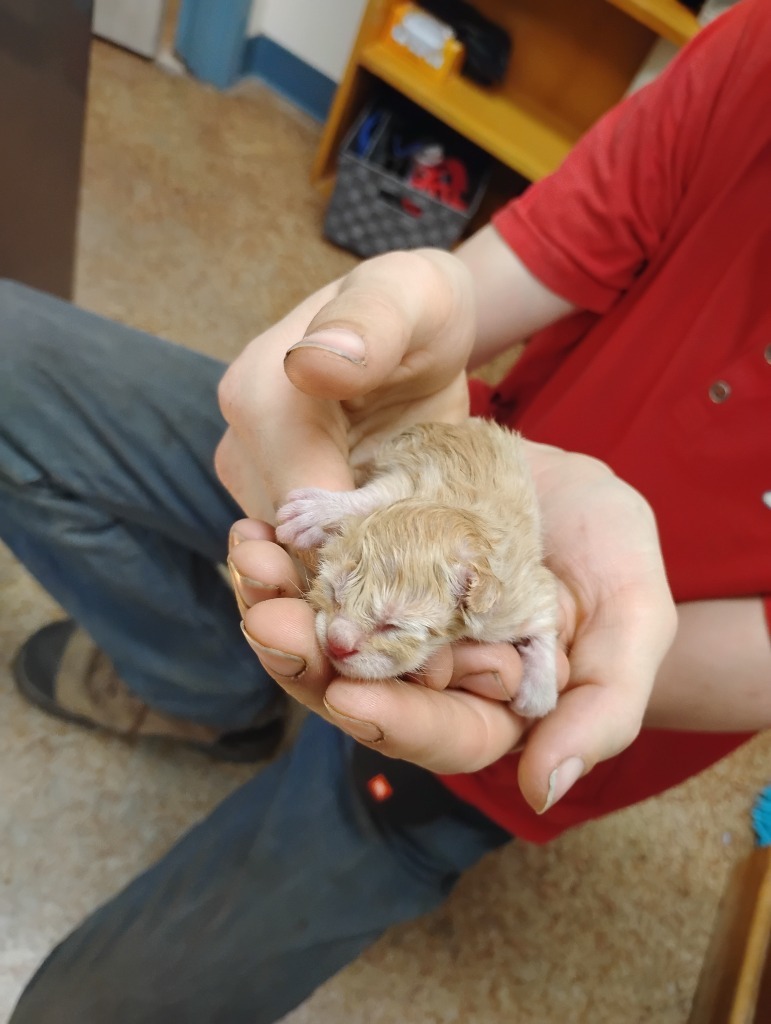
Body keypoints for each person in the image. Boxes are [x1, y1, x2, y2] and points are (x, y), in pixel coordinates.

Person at [2, 0, 769, 1020]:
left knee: (71, 1012)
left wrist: (561, 648)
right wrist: (392, 326)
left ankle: (286, 714)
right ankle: (207, 686)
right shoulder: (751, 54)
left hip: (488, 735)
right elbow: (476, 288)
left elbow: (601, 653)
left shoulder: (493, 622)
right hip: (411, 473)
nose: (345, 639)